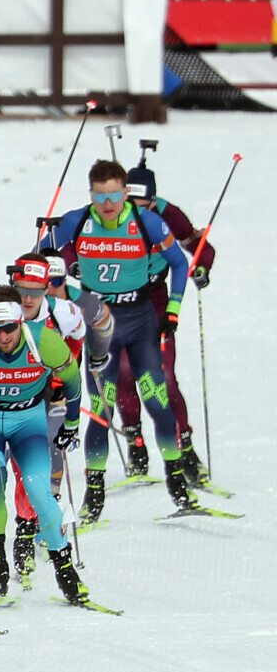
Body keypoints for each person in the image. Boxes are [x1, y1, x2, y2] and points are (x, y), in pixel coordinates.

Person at [44, 159, 195, 519]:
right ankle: (94, 493)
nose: (108, 203)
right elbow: (40, 260)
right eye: (100, 195)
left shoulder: (147, 222)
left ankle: (177, 483)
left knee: (158, 400)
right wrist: (62, 292)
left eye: (114, 194)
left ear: (125, 192)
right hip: (100, 323)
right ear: (92, 195)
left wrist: (172, 309)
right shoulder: (76, 221)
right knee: (100, 409)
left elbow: (179, 262)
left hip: (141, 318)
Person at [0, 288, 91, 605]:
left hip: (27, 419)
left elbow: (72, 379)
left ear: (20, 320)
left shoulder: (44, 340)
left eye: (9, 327)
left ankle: (65, 571)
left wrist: (72, 422)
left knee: (39, 490)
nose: (3, 336)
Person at [116, 163, 218, 482]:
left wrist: (201, 267)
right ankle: (136, 442)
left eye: (141, 205)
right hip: (117, 302)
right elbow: (72, 247)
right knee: (123, 372)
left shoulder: (168, 215)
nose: (133, 212)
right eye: (127, 204)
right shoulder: (105, 216)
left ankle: (184, 446)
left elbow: (200, 247)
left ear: (153, 200)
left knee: (162, 376)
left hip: (155, 300)